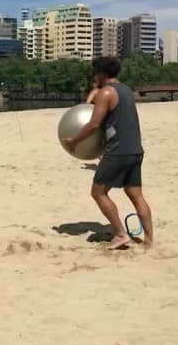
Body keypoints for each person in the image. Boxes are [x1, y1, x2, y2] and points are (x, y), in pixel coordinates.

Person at [61, 57, 154, 250]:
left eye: (96, 73)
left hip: (117, 151)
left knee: (98, 192)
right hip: (135, 150)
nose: (94, 77)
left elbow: (94, 123)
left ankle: (120, 234)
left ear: (101, 73)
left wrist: (74, 142)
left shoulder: (106, 93)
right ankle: (149, 241)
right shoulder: (126, 90)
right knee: (136, 194)